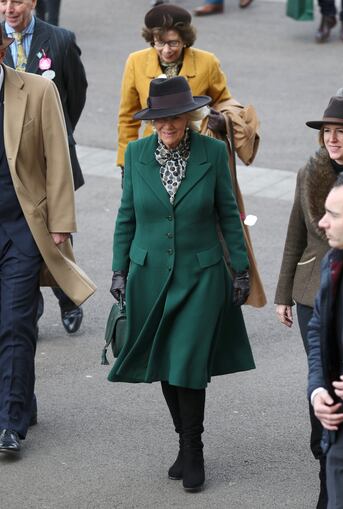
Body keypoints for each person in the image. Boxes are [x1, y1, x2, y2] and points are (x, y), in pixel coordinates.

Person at [109, 76, 255, 492]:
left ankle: (193, 449)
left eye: (175, 118)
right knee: (166, 366)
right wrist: (119, 270)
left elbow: (228, 213)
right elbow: (126, 217)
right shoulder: (136, 154)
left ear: (189, 116)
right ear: (152, 121)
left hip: (201, 275)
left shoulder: (211, 150)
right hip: (149, 275)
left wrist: (240, 270)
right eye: (160, 120)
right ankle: (183, 442)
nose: (168, 126)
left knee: (188, 362)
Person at [0, 26, 95, 455]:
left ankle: (10, 421)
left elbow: (58, 156)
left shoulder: (36, 91)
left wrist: (60, 223)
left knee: (16, 322)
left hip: (23, 226)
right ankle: (21, 396)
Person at [275, 96, 343, 509]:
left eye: (340, 131)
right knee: (324, 379)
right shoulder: (310, 172)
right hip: (314, 290)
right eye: (327, 132)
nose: (331, 139)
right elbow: (295, 233)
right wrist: (282, 295)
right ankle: (327, 465)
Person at [1, 0, 88, 334]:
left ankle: (67, 297)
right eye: (3, 1)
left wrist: (58, 137)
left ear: (33, 2)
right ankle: (26, 309)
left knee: (55, 231)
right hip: (13, 163)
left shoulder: (61, 40)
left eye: (18, 1)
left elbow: (76, 95)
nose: (10, 8)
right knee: (22, 238)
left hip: (51, 158)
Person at [117, 3, 256, 171]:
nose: (166, 50)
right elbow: (127, 118)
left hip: (198, 155)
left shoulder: (208, 62)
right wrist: (126, 163)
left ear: (185, 40)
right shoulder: (135, 62)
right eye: (160, 43)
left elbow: (223, 100)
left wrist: (222, 120)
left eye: (173, 43)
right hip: (153, 156)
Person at [308, 171, 343, 508]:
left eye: (334, 214)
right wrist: (317, 390)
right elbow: (317, 330)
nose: (322, 223)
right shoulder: (335, 263)